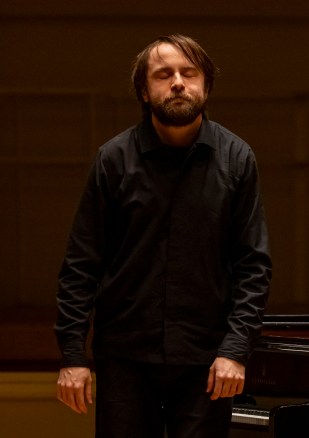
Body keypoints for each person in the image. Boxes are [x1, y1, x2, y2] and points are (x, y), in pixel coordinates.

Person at [54, 34, 272, 438]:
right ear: (143, 89)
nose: (177, 82)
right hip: (125, 358)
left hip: (207, 360)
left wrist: (235, 350)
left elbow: (253, 266)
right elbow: (81, 264)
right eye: (163, 74)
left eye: (189, 73)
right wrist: (72, 355)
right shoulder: (113, 160)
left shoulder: (237, 158)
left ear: (205, 85)